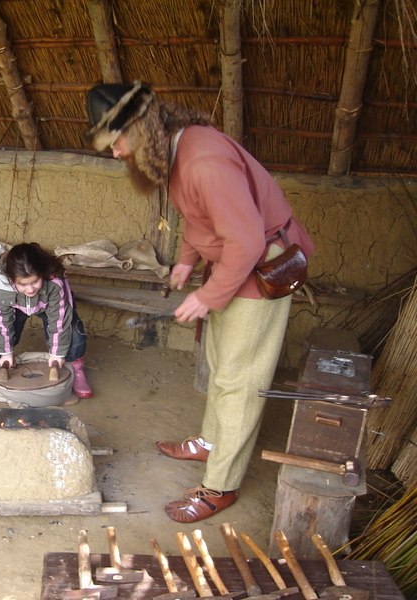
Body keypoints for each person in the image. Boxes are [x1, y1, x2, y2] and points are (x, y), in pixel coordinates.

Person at [85, 82, 314, 523]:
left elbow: (246, 241)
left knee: (240, 380)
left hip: (260, 266)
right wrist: (188, 262)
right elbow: (198, 217)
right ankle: (211, 440)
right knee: (219, 360)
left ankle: (220, 485)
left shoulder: (204, 160)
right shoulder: (175, 151)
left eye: (116, 142)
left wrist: (207, 297)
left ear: (141, 128)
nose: (115, 153)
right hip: (231, 263)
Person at [0, 242, 92, 400]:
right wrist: (5, 352)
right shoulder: (1, 285)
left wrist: (57, 353)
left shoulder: (54, 282)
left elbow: (59, 318)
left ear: (42, 274)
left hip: (47, 305)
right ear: (12, 280)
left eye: (35, 281)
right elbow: (1, 319)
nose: (31, 289)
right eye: (23, 284)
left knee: (74, 331)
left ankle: (76, 370)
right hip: (14, 306)